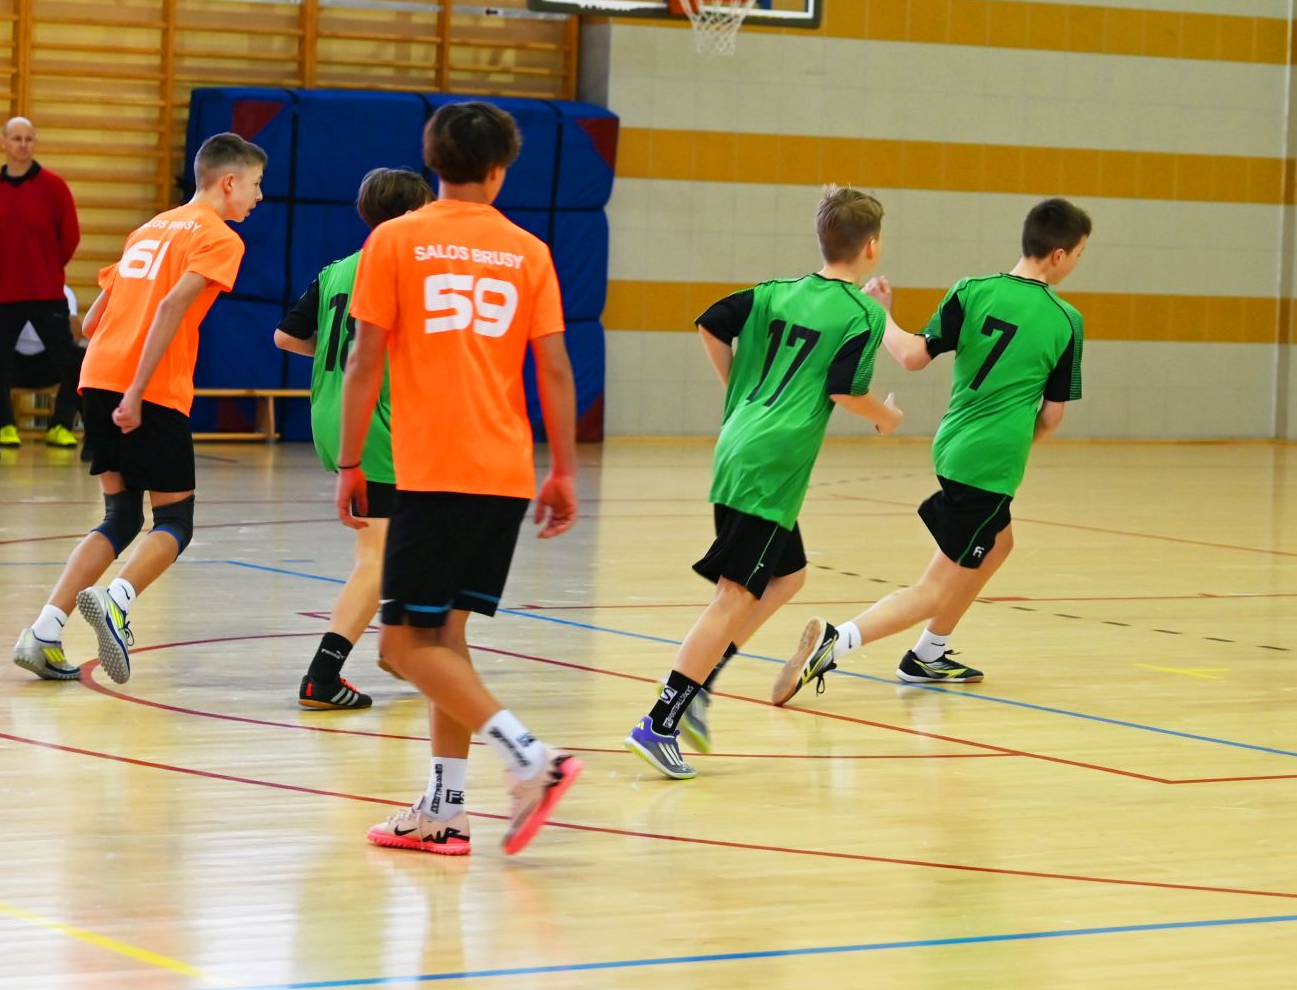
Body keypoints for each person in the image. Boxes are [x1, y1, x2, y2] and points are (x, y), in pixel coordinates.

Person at [336, 102, 582, 858]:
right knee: (443, 637)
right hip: (504, 471)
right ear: (500, 170)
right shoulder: (529, 251)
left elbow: (365, 359)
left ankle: (530, 758)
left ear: (431, 159)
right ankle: (445, 808)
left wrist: (349, 461)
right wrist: (564, 469)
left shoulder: (395, 238)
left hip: (435, 469)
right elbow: (555, 368)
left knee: (403, 646)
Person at [623, 187, 900, 780]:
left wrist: (740, 390)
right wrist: (885, 416)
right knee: (733, 596)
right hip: (772, 464)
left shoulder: (774, 292)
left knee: (787, 576)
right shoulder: (864, 315)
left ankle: (701, 685)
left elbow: (710, 323)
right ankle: (661, 720)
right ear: (872, 247)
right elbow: (846, 389)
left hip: (739, 446)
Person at [773, 197, 1090, 708]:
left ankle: (929, 654)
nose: (1076, 262)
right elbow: (1053, 415)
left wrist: (883, 314)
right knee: (936, 587)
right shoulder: (1066, 319)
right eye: (1078, 254)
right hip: (989, 462)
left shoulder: (972, 290)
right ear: (1058, 255)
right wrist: (1014, 448)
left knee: (998, 544)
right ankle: (836, 641)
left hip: (953, 444)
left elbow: (913, 357)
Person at [11, 133, 267, 684]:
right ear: (229, 182)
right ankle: (118, 600)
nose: (258, 196)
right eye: (255, 184)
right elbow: (172, 305)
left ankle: (44, 633)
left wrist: (117, 382)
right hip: (147, 389)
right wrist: (137, 391)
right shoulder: (219, 237)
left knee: (121, 516)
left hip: (97, 378)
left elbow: (92, 322)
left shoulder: (148, 229)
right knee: (175, 520)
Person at [273, 167, 433, 709]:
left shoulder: (337, 270)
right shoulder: (408, 273)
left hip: (332, 413)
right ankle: (323, 675)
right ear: (411, 216)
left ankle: (399, 643)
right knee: (377, 557)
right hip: (376, 420)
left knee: (409, 535)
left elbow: (285, 336)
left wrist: (332, 353)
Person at [0, 117, 82, 461]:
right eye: (16, 138)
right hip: (3, 293)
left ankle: (96, 439)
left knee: (71, 363)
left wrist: (45, 268)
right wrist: (12, 268)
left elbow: (69, 236)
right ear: (3, 142)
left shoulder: (54, 187)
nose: (23, 144)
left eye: (29, 139)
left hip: (45, 291)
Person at [0, 285, 88, 443]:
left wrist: (56, 316)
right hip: (11, 361)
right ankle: (4, 426)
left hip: (45, 364)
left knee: (80, 360)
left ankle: (61, 426)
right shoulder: (4, 289)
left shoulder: (61, 291)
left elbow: (76, 336)